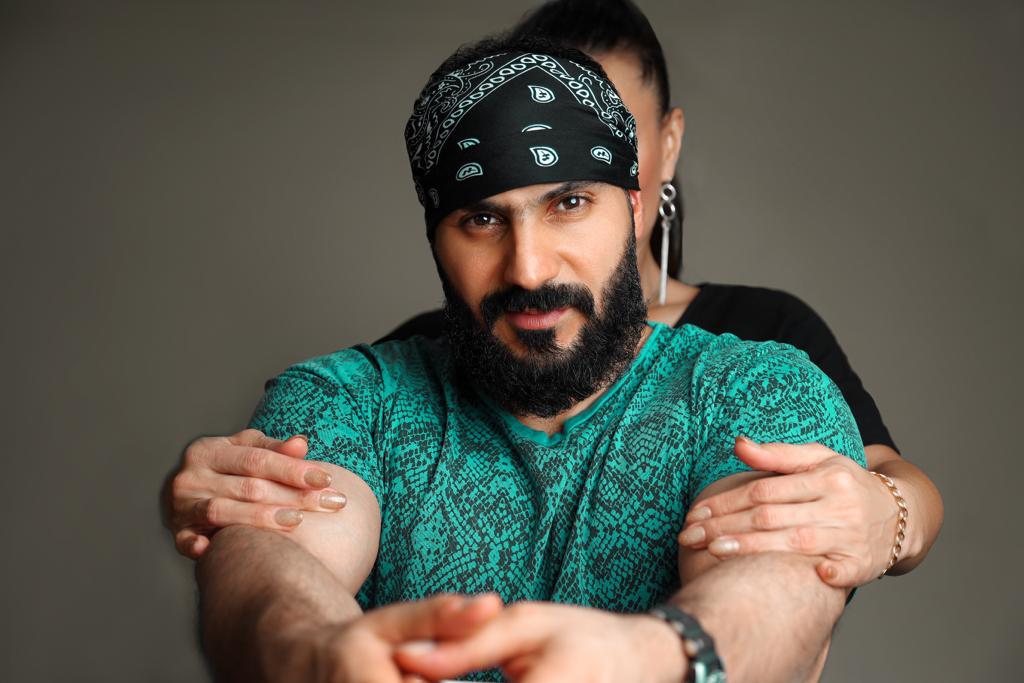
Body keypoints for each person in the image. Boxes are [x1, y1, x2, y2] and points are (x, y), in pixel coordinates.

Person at [165, 0, 942, 590]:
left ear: (656, 151)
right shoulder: (424, 361)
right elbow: (313, 510)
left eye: (573, 189)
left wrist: (888, 514)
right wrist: (230, 506)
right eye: (487, 211)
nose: (530, 266)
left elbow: (878, 482)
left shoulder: (760, 353)